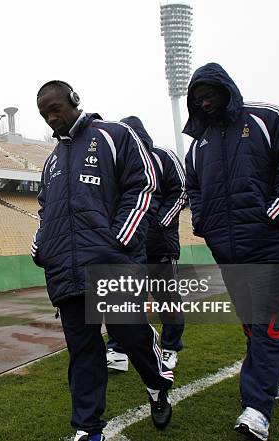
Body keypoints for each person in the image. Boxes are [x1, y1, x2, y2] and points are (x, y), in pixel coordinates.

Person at [32, 81, 174, 441]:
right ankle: (87, 427)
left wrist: (119, 240)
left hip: (109, 264)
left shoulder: (114, 135)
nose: (52, 118)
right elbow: (45, 210)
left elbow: (142, 185)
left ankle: (157, 384)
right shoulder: (51, 162)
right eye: (44, 114)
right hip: (65, 272)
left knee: (131, 335)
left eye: (55, 108)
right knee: (83, 351)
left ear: (74, 100)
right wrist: (42, 247)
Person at [183, 63, 279, 440]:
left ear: (227, 89)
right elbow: (193, 188)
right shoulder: (199, 144)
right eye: (197, 98)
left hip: (271, 246)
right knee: (252, 325)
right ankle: (276, 380)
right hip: (229, 252)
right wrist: (203, 221)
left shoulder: (265, 118)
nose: (204, 101)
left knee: (270, 326)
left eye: (209, 93)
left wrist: (275, 211)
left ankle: (256, 408)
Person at [106, 116, 187, 372]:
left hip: (160, 246)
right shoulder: (120, 162)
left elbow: (182, 190)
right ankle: (118, 351)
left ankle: (170, 348)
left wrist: (160, 223)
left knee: (167, 299)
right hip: (131, 247)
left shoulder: (164, 157)